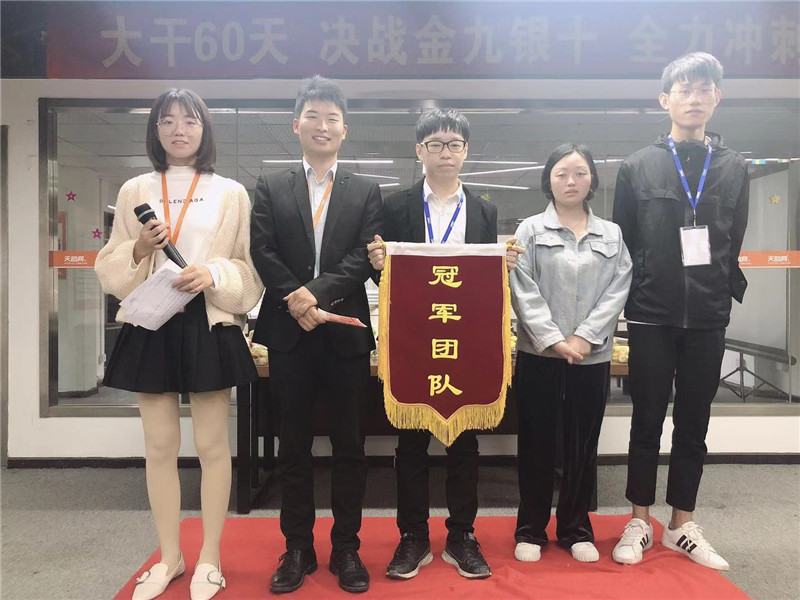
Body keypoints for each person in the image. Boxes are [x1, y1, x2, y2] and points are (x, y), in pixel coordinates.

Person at [95, 88, 263, 600]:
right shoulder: (135, 188)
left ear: (204, 129)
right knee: (159, 447)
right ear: (155, 130)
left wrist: (212, 273)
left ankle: (210, 556)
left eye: (189, 121)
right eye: (167, 121)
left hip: (207, 322)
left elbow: (248, 270)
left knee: (213, 446)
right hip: (153, 322)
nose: (179, 130)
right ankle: (169, 557)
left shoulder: (230, 192)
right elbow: (110, 265)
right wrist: (139, 248)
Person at [367, 108, 521, 581]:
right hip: (414, 342)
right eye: (435, 144)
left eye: (454, 144)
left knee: (464, 443)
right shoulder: (396, 207)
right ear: (420, 151)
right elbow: (389, 280)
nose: (445, 152)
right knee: (411, 442)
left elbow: (482, 280)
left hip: (463, 340)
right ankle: (412, 535)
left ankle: (462, 536)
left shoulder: (483, 209)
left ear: (466, 151)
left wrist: (502, 265)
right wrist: (379, 264)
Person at [612, 52, 749, 571]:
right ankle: (638, 520)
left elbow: (734, 239)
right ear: (664, 99)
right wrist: (639, 292)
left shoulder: (734, 168)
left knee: (694, 422)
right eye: (684, 89)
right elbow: (625, 242)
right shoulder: (637, 166)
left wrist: (719, 292)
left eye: (704, 89)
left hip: (708, 315)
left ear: (717, 98)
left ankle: (681, 525)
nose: (695, 98)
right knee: (646, 419)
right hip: (651, 312)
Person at [250, 75, 382, 594]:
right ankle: (298, 548)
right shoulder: (271, 185)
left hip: (345, 335)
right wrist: (296, 300)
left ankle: (346, 547)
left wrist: (313, 295)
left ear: (344, 130)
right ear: (296, 125)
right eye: (313, 116)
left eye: (332, 118)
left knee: (350, 445)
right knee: (293, 447)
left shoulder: (365, 190)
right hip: (290, 335)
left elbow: (362, 259)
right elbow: (263, 250)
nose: (322, 125)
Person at [509, 143, 632, 564]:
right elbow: (522, 288)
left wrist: (584, 337)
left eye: (580, 173)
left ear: (592, 179)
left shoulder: (611, 234)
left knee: (582, 444)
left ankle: (576, 528)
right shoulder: (529, 230)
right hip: (539, 353)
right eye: (561, 173)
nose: (571, 181)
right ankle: (530, 529)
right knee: (536, 443)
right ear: (549, 179)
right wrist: (553, 339)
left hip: (590, 356)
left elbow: (618, 288)